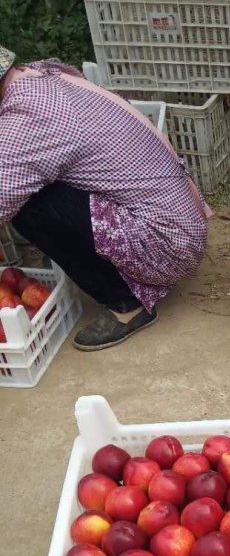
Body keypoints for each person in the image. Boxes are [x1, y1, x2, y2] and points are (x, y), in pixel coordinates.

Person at [0, 47, 209, 350]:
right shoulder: (38, 78)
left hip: (165, 245)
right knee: (33, 186)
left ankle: (126, 304)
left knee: (30, 206)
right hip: (179, 223)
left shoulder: (27, 116)